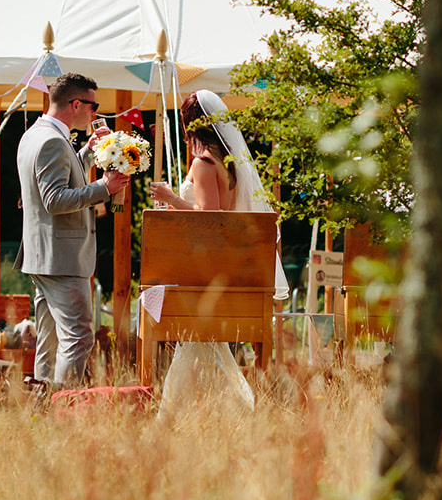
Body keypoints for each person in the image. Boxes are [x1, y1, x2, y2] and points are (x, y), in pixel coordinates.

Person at [150, 90, 289, 412]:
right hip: (227, 264)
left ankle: (193, 411)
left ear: (190, 125)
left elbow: (209, 217)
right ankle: (220, 409)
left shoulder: (203, 164)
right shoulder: (232, 164)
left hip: (203, 265)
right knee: (200, 343)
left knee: (196, 341)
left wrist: (171, 199)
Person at [17, 72, 129, 385]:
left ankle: (43, 407)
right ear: (76, 104)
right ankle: (64, 409)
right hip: (62, 256)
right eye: (94, 106)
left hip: (44, 254)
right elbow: (54, 199)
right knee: (79, 337)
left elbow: (63, 177)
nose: (96, 113)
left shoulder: (36, 134)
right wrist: (103, 187)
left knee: (50, 340)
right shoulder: (53, 140)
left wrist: (87, 154)